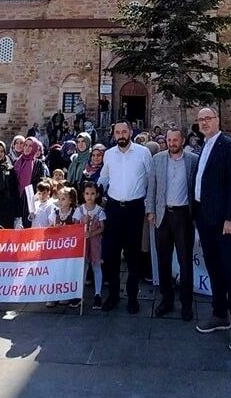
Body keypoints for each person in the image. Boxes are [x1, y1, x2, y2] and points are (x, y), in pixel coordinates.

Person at [191, 107, 231, 352]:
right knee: (213, 266)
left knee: (229, 270)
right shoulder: (204, 145)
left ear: (217, 120)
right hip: (205, 218)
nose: (204, 122)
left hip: (224, 221)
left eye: (208, 118)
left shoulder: (229, 146)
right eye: (200, 119)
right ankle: (219, 313)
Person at [99, 120, 153, 314]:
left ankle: (132, 296)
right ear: (114, 134)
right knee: (112, 254)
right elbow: (104, 178)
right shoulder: (109, 154)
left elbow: (150, 178)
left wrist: (149, 205)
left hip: (134, 209)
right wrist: (96, 190)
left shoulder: (143, 153)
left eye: (124, 131)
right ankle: (113, 295)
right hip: (113, 209)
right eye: (117, 132)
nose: (121, 135)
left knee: (133, 255)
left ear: (130, 132)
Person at [146, 128, 199, 321]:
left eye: (175, 140)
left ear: (182, 141)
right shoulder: (158, 159)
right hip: (163, 215)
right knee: (163, 260)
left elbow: (196, 187)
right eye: (169, 140)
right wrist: (150, 210)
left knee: (185, 262)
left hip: (184, 215)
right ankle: (166, 300)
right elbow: (152, 186)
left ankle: (186, 304)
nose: (172, 143)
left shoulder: (192, 160)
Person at [76, 182, 106, 309]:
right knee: (83, 267)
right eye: (87, 194)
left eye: (92, 194)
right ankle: (79, 294)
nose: (90, 197)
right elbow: (75, 225)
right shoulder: (80, 210)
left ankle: (97, 294)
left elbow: (102, 228)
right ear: (83, 195)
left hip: (95, 242)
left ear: (97, 194)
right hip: (83, 242)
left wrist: (92, 232)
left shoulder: (99, 211)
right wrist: (83, 225)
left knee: (96, 265)